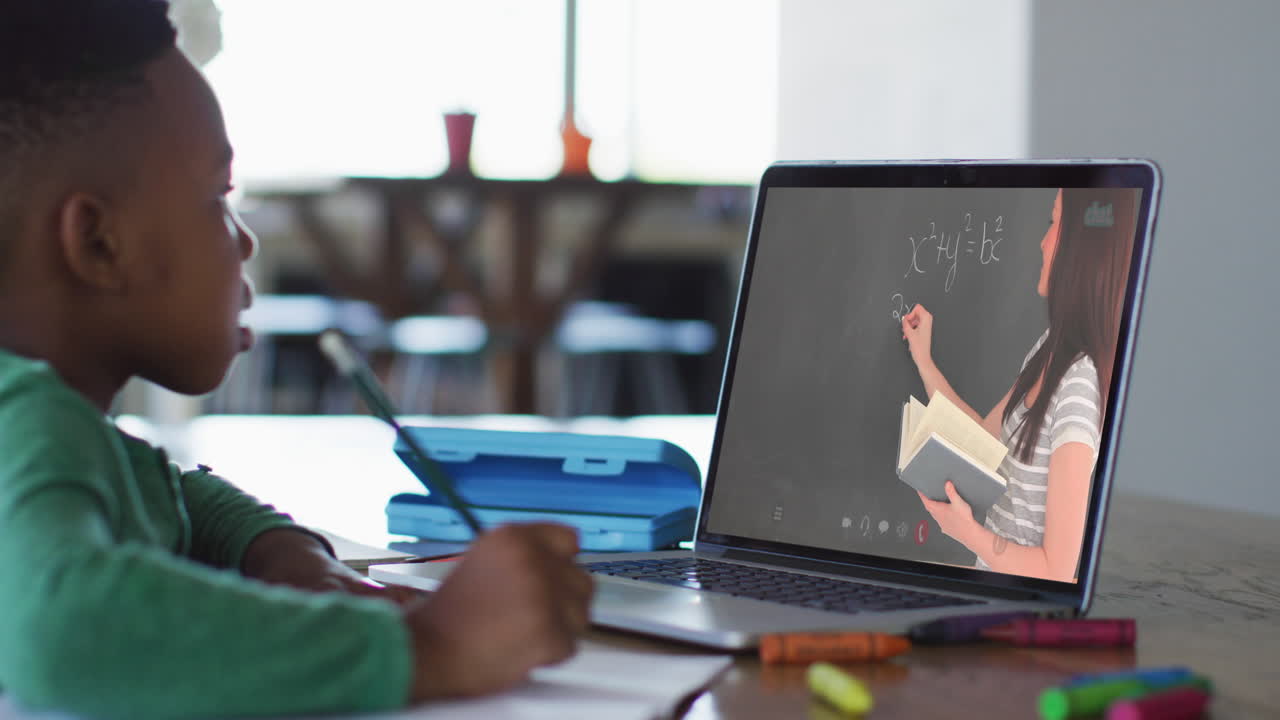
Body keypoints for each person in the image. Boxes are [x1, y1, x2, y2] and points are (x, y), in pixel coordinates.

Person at [0, 2, 591, 718]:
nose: (244, 242)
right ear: (98, 244)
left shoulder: (53, 428)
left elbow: (170, 492)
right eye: (219, 198)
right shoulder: (30, 425)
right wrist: (434, 647)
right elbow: (67, 634)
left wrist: (274, 548)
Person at [900, 187, 1137, 582]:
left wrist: (968, 532)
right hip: (989, 590)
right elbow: (982, 438)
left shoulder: (1079, 388)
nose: (1043, 241)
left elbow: (1057, 571)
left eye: (1054, 222)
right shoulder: (1051, 347)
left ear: (1079, 246)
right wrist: (924, 361)